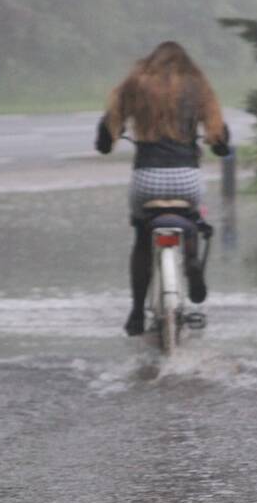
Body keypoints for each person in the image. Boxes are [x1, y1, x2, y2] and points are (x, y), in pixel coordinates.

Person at [94, 41, 230, 336]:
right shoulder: (198, 88)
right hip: (187, 181)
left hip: (147, 180)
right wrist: (218, 145)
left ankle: (135, 313)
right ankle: (192, 262)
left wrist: (107, 141)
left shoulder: (135, 84)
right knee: (193, 217)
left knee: (143, 239)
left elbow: (106, 136)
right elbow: (219, 139)